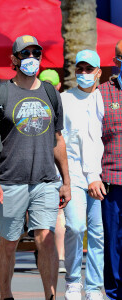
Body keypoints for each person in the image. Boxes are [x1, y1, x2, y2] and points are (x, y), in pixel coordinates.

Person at [0, 35, 71, 300]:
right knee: (9, 242)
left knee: (45, 238)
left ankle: (50, 296)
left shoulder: (50, 93)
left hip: (45, 180)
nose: (31, 58)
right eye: (25, 53)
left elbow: (57, 139)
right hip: (10, 181)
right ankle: (6, 295)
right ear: (14, 59)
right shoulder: (0, 95)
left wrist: (65, 180)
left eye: (36, 53)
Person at [61, 50, 104, 300]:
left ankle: (93, 286)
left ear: (99, 72)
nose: (84, 74)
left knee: (97, 233)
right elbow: (58, 140)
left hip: (99, 175)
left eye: (89, 69)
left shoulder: (103, 98)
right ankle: (73, 281)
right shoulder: (64, 99)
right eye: (80, 69)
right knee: (76, 227)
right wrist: (62, 179)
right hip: (73, 174)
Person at [98, 40, 122, 300]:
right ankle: (114, 294)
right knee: (113, 243)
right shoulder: (103, 93)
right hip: (113, 179)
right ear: (116, 62)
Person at [39, 69, 66, 274]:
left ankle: (60, 256)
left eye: (51, 84)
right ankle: (51, 253)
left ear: (58, 86)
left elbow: (60, 140)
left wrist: (66, 177)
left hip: (55, 169)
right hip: (34, 169)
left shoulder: (64, 103)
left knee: (58, 214)